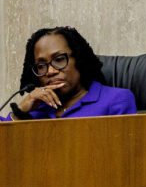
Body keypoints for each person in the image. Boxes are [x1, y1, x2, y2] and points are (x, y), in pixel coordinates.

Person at [3, 26, 136, 120]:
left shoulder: (116, 100)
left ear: (78, 60)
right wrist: (19, 112)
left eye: (59, 59)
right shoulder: (35, 109)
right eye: (41, 65)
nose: (50, 71)